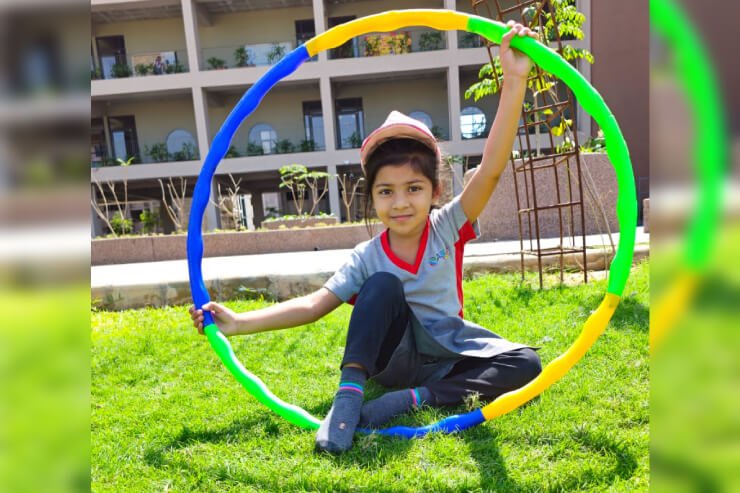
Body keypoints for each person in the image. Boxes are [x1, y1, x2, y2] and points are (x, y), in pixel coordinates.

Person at [190, 21, 541, 454]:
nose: (400, 203)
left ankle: (417, 399)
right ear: (371, 197)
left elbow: (489, 171)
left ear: (435, 191)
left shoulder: (447, 226)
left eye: (413, 189)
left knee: (527, 363)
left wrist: (514, 80)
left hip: (449, 357)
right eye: (386, 191)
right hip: (393, 359)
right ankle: (349, 393)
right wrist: (239, 323)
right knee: (382, 284)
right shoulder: (366, 255)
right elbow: (314, 305)